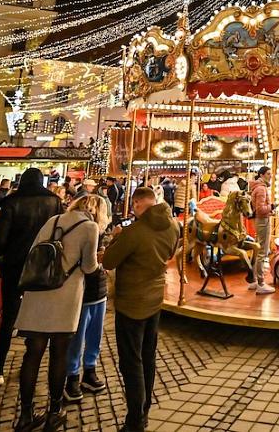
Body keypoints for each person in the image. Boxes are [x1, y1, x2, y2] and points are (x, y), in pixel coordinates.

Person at [13, 195, 100, 431]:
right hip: (65, 294)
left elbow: (34, 251)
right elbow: (89, 266)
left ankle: (26, 414)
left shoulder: (52, 221)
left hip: (38, 291)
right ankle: (54, 410)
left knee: (32, 354)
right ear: (94, 210)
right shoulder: (90, 227)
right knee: (59, 354)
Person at [0, 167, 62, 391]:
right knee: (39, 316)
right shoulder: (54, 201)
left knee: (7, 319)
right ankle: (31, 363)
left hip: (15, 265)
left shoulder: (13, 202)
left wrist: (2, 250)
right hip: (43, 265)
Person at [103, 185, 180, 432]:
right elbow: (169, 254)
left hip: (132, 301)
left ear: (136, 204)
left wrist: (116, 237)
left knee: (131, 360)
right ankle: (144, 408)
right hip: (155, 298)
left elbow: (109, 260)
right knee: (148, 355)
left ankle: (135, 418)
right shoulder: (172, 226)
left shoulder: (134, 231)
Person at [63, 194, 112, 404]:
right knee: (85, 333)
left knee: (86, 332)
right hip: (87, 287)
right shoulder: (90, 229)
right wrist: (102, 262)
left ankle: (82, 372)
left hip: (94, 290)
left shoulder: (66, 224)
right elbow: (89, 265)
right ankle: (75, 374)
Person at [248, 167, 275, 294]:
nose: (270, 176)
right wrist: (272, 206)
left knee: (258, 250)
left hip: (260, 221)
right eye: (268, 174)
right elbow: (260, 209)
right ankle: (261, 282)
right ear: (261, 175)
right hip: (263, 221)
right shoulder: (261, 189)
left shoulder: (258, 187)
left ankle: (254, 279)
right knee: (262, 252)